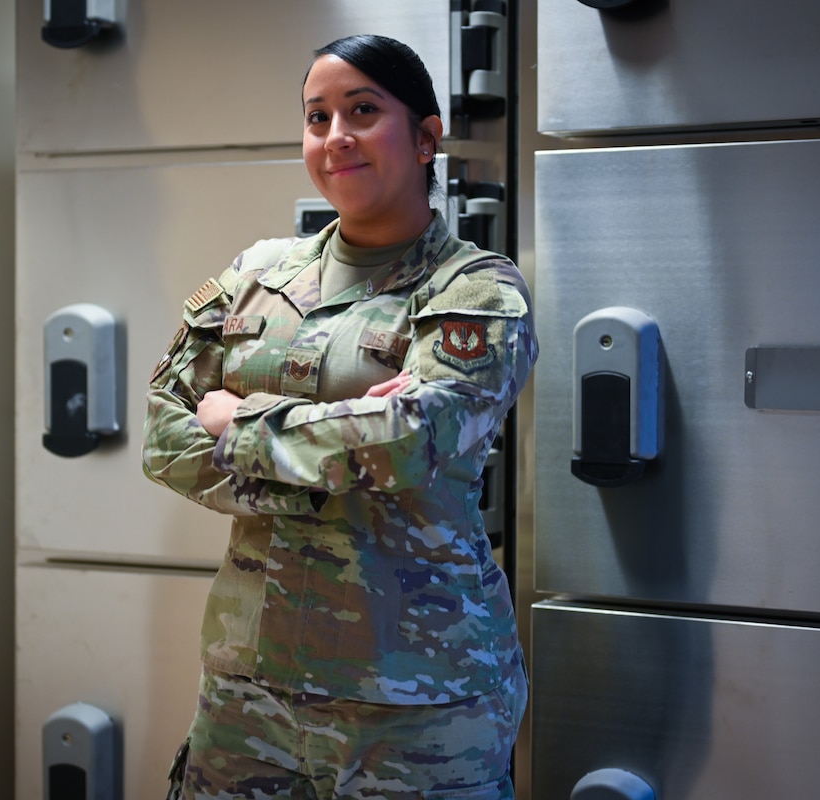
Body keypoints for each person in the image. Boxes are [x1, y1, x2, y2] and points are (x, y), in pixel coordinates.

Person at [144, 33, 537, 800]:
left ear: (427, 139)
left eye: (363, 111)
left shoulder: (477, 290)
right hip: (248, 685)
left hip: (415, 696)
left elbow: (411, 442)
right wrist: (342, 445)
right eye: (316, 116)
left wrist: (237, 420)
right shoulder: (258, 275)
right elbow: (163, 434)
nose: (336, 137)